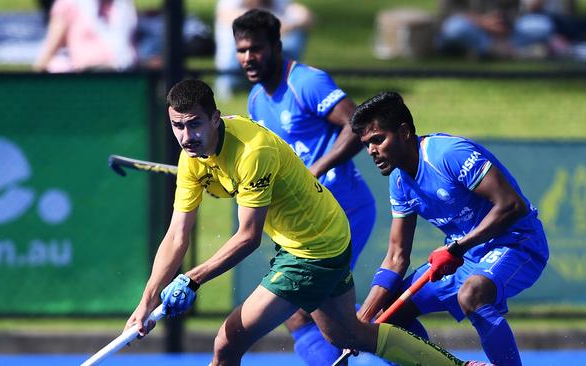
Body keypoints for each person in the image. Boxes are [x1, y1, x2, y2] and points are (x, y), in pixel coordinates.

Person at [124, 79, 489, 366]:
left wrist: (192, 278)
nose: (187, 136)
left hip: (314, 250)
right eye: (178, 126)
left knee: (227, 341)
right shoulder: (191, 159)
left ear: (216, 117)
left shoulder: (253, 152)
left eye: (195, 124)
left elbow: (248, 237)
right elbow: (176, 236)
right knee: (349, 334)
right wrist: (147, 301)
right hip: (318, 237)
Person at [350, 91, 549, 366]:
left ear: (404, 132)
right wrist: (362, 322)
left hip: (517, 243)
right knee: (389, 312)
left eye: (378, 139)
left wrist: (458, 247)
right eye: (366, 144)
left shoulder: (448, 154)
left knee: (472, 294)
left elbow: (512, 206)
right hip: (463, 257)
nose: (371, 150)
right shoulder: (398, 181)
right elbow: (396, 256)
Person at [231, 9, 376, 366]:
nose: (248, 58)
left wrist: (314, 171)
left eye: (257, 48)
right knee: (302, 314)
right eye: (242, 50)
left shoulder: (306, 82)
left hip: (343, 212)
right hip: (305, 225)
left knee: (302, 307)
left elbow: (358, 126)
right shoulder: (255, 99)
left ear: (278, 46)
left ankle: (395, 344)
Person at [214, 0, 313, 100]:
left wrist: (289, 25)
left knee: (296, 35)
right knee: (231, 33)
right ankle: (227, 85)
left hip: (268, 48)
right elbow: (224, 15)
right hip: (240, 49)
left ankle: (290, 80)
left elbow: (306, 16)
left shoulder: (278, 2)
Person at [33, 0, 137, 72]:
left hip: (124, 74)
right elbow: (50, 48)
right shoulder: (69, 4)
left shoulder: (123, 6)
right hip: (89, 75)